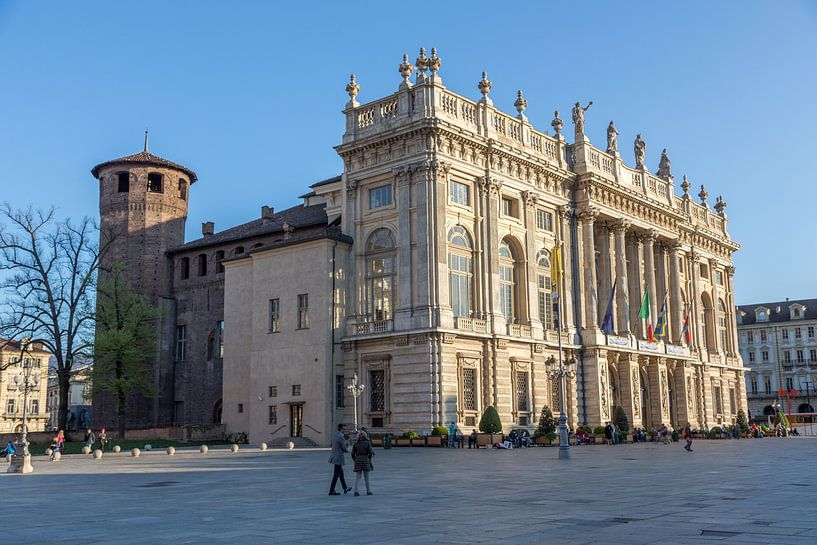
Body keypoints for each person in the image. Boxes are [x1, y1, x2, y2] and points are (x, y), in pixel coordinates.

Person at [328, 423, 351, 496]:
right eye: (344, 429)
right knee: (336, 475)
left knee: (341, 474)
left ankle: (345, 488)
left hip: (334, 456)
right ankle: (331, 490)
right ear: (340, 429)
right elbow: (344, 448)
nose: (345, 430)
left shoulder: (335, 434)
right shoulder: (341, 436)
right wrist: (347, 449)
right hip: (339, 457)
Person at [351, 431, 374, 496]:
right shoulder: (367, 443)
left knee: (358, 477)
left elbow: (352, 454)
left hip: (358, 459)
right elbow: (371, 452)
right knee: (367, 477)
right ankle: (368, 491)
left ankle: (356, 491)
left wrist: (355, 460)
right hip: (365, 459)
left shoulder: (356, 443)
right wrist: (369, 458)